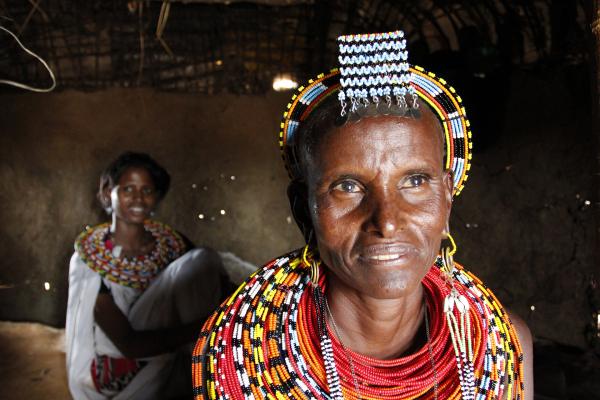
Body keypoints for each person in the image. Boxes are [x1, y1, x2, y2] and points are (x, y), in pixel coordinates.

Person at [192, 31, 533, 399]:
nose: (386, 222)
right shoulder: (236, 352)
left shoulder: (503, 346)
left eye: (415, 181)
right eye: (349, 187)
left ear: (447, 198)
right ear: (304, 210)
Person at [66, 151, 230, 399]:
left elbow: (216, 284)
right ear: (108, 192)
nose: (138, 198)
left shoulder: (172, 245)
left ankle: (208, 360)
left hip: (172, 345)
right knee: (200, 261)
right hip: (124, 364)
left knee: (203, 260)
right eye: (127, 189)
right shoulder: (89, 260)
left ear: (157, 197)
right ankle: (204, 359)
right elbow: (129, 343)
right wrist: (208, 326)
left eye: (147, 190)